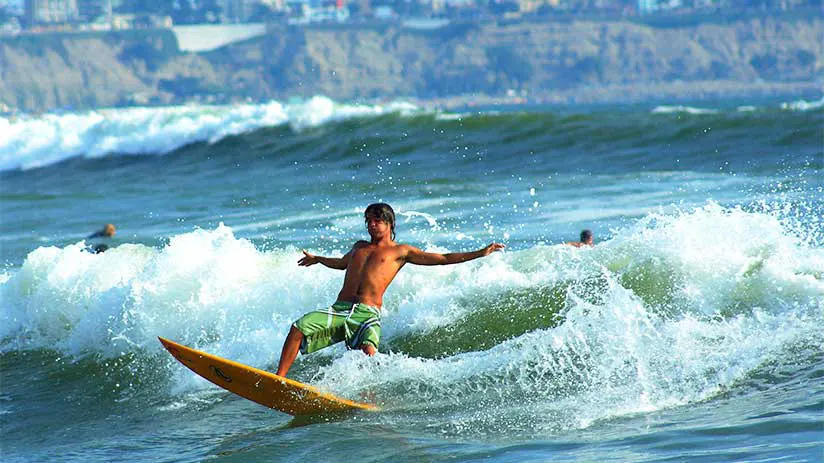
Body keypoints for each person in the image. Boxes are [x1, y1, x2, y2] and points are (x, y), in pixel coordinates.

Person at [276, 203, 505, 377]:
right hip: (341, 309)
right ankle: (280, 380)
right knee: (299, 327)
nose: (371, 225)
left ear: (389, 224)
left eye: (376, 221)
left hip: (367, 313)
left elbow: (443, 258)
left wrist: (479, 253)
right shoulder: (359, 247)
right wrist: (318, 259)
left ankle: (370, 398)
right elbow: (341, 263)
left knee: (368, 356)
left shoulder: (400, 252)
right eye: (368, 221)